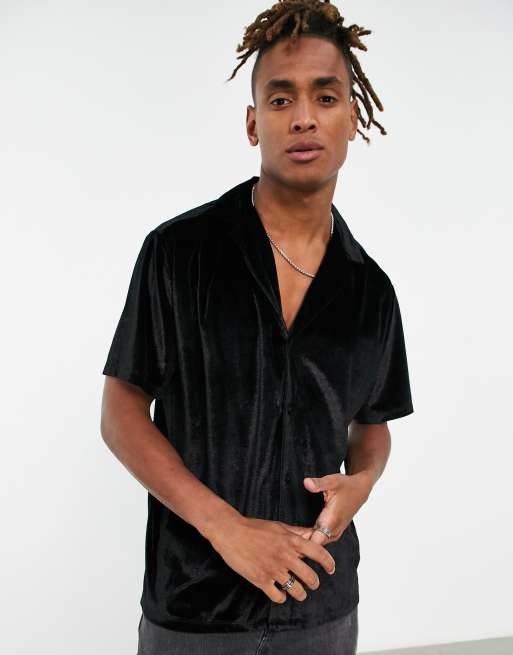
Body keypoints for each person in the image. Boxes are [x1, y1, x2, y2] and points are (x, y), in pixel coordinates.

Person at [100, 1, 414, 653]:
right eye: (280, 99)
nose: (303, 117)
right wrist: (226, 528)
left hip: (322, 607)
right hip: (194, 608)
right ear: (253, 123)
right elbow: (121, 409)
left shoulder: (372, 291)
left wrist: (362, 481)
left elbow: (373, 425)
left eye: (325, 96)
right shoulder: (178, 252)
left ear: (351, 117)